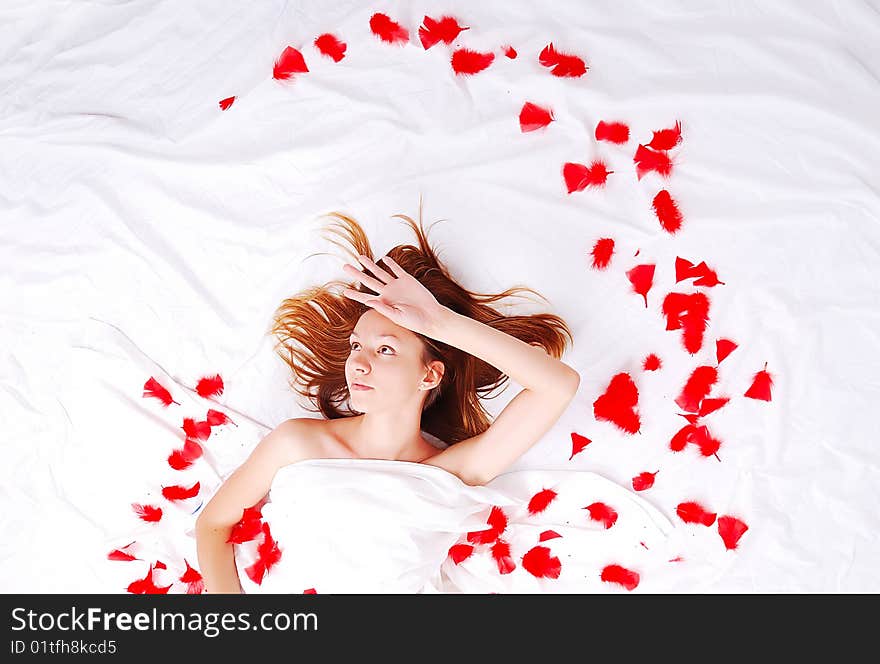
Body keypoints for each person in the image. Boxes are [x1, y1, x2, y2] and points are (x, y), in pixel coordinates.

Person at [195, 205, 580, 593]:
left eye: (385, 350)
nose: (359, 364)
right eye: (356, 346)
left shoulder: (450, 472)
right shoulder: (297, 443)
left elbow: (557, 386)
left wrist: (438, 322)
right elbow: (213, 524)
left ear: (429, 374)